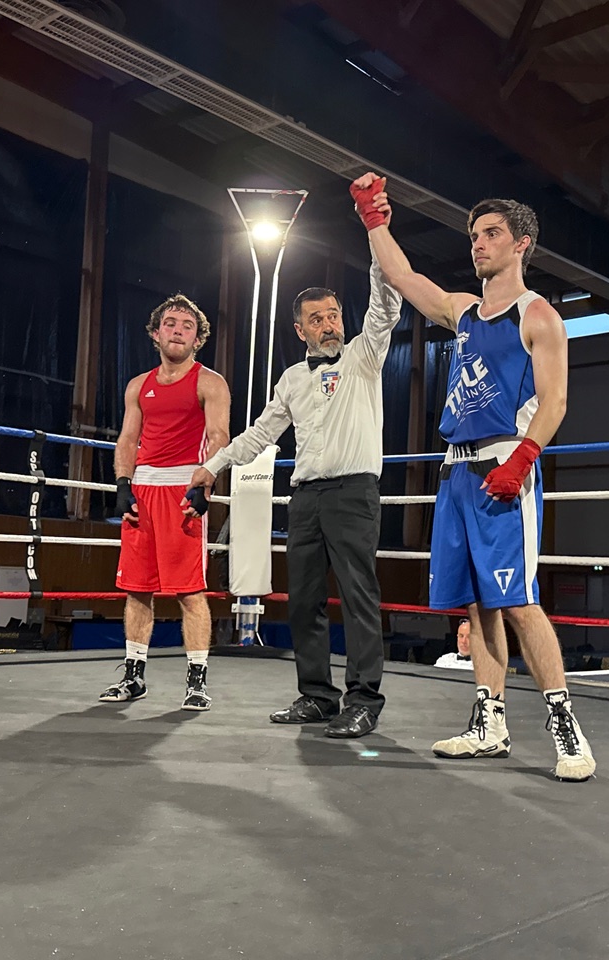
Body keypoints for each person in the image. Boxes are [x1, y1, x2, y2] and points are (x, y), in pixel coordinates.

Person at [361, 174, 595, 780]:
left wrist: (523, 459)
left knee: (519, 601)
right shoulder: (463, 310)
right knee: (476, 605)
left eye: (491, 233)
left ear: (521, 244)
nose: (478, 244)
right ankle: (490, 722)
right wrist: (375, 220)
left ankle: (565, 725)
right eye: (473, 236)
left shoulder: (538, 315)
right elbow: (403, 277)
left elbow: (555, 401)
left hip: (503, 468)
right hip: (456, 471)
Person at [189, 193, 402, 739]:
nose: (329, 324)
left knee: (358, 597)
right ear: (300, 328)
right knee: (305, 600)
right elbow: (261, 434)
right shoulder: (290, 379)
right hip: (305, 498)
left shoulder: (364, 355)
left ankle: (364, 700)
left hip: (354, 492)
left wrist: (375, 231)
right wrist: (212, 466)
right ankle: (317, 695)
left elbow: (386, 306)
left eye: (333, 315)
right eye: (317, 319)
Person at [99, 294, 230, 711]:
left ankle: (197, 682)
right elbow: (128, 439)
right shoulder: (138, 385)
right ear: (156, 333)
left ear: (198, 339)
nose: (178, 330)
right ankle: (133, 676)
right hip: (142, 490)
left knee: (190, 592)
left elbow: (219, 437)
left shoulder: (210, 382)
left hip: (182, 491)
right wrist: (122, 484)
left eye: (187, 326)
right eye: (171, 323)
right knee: (137, 590)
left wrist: (205, 485)